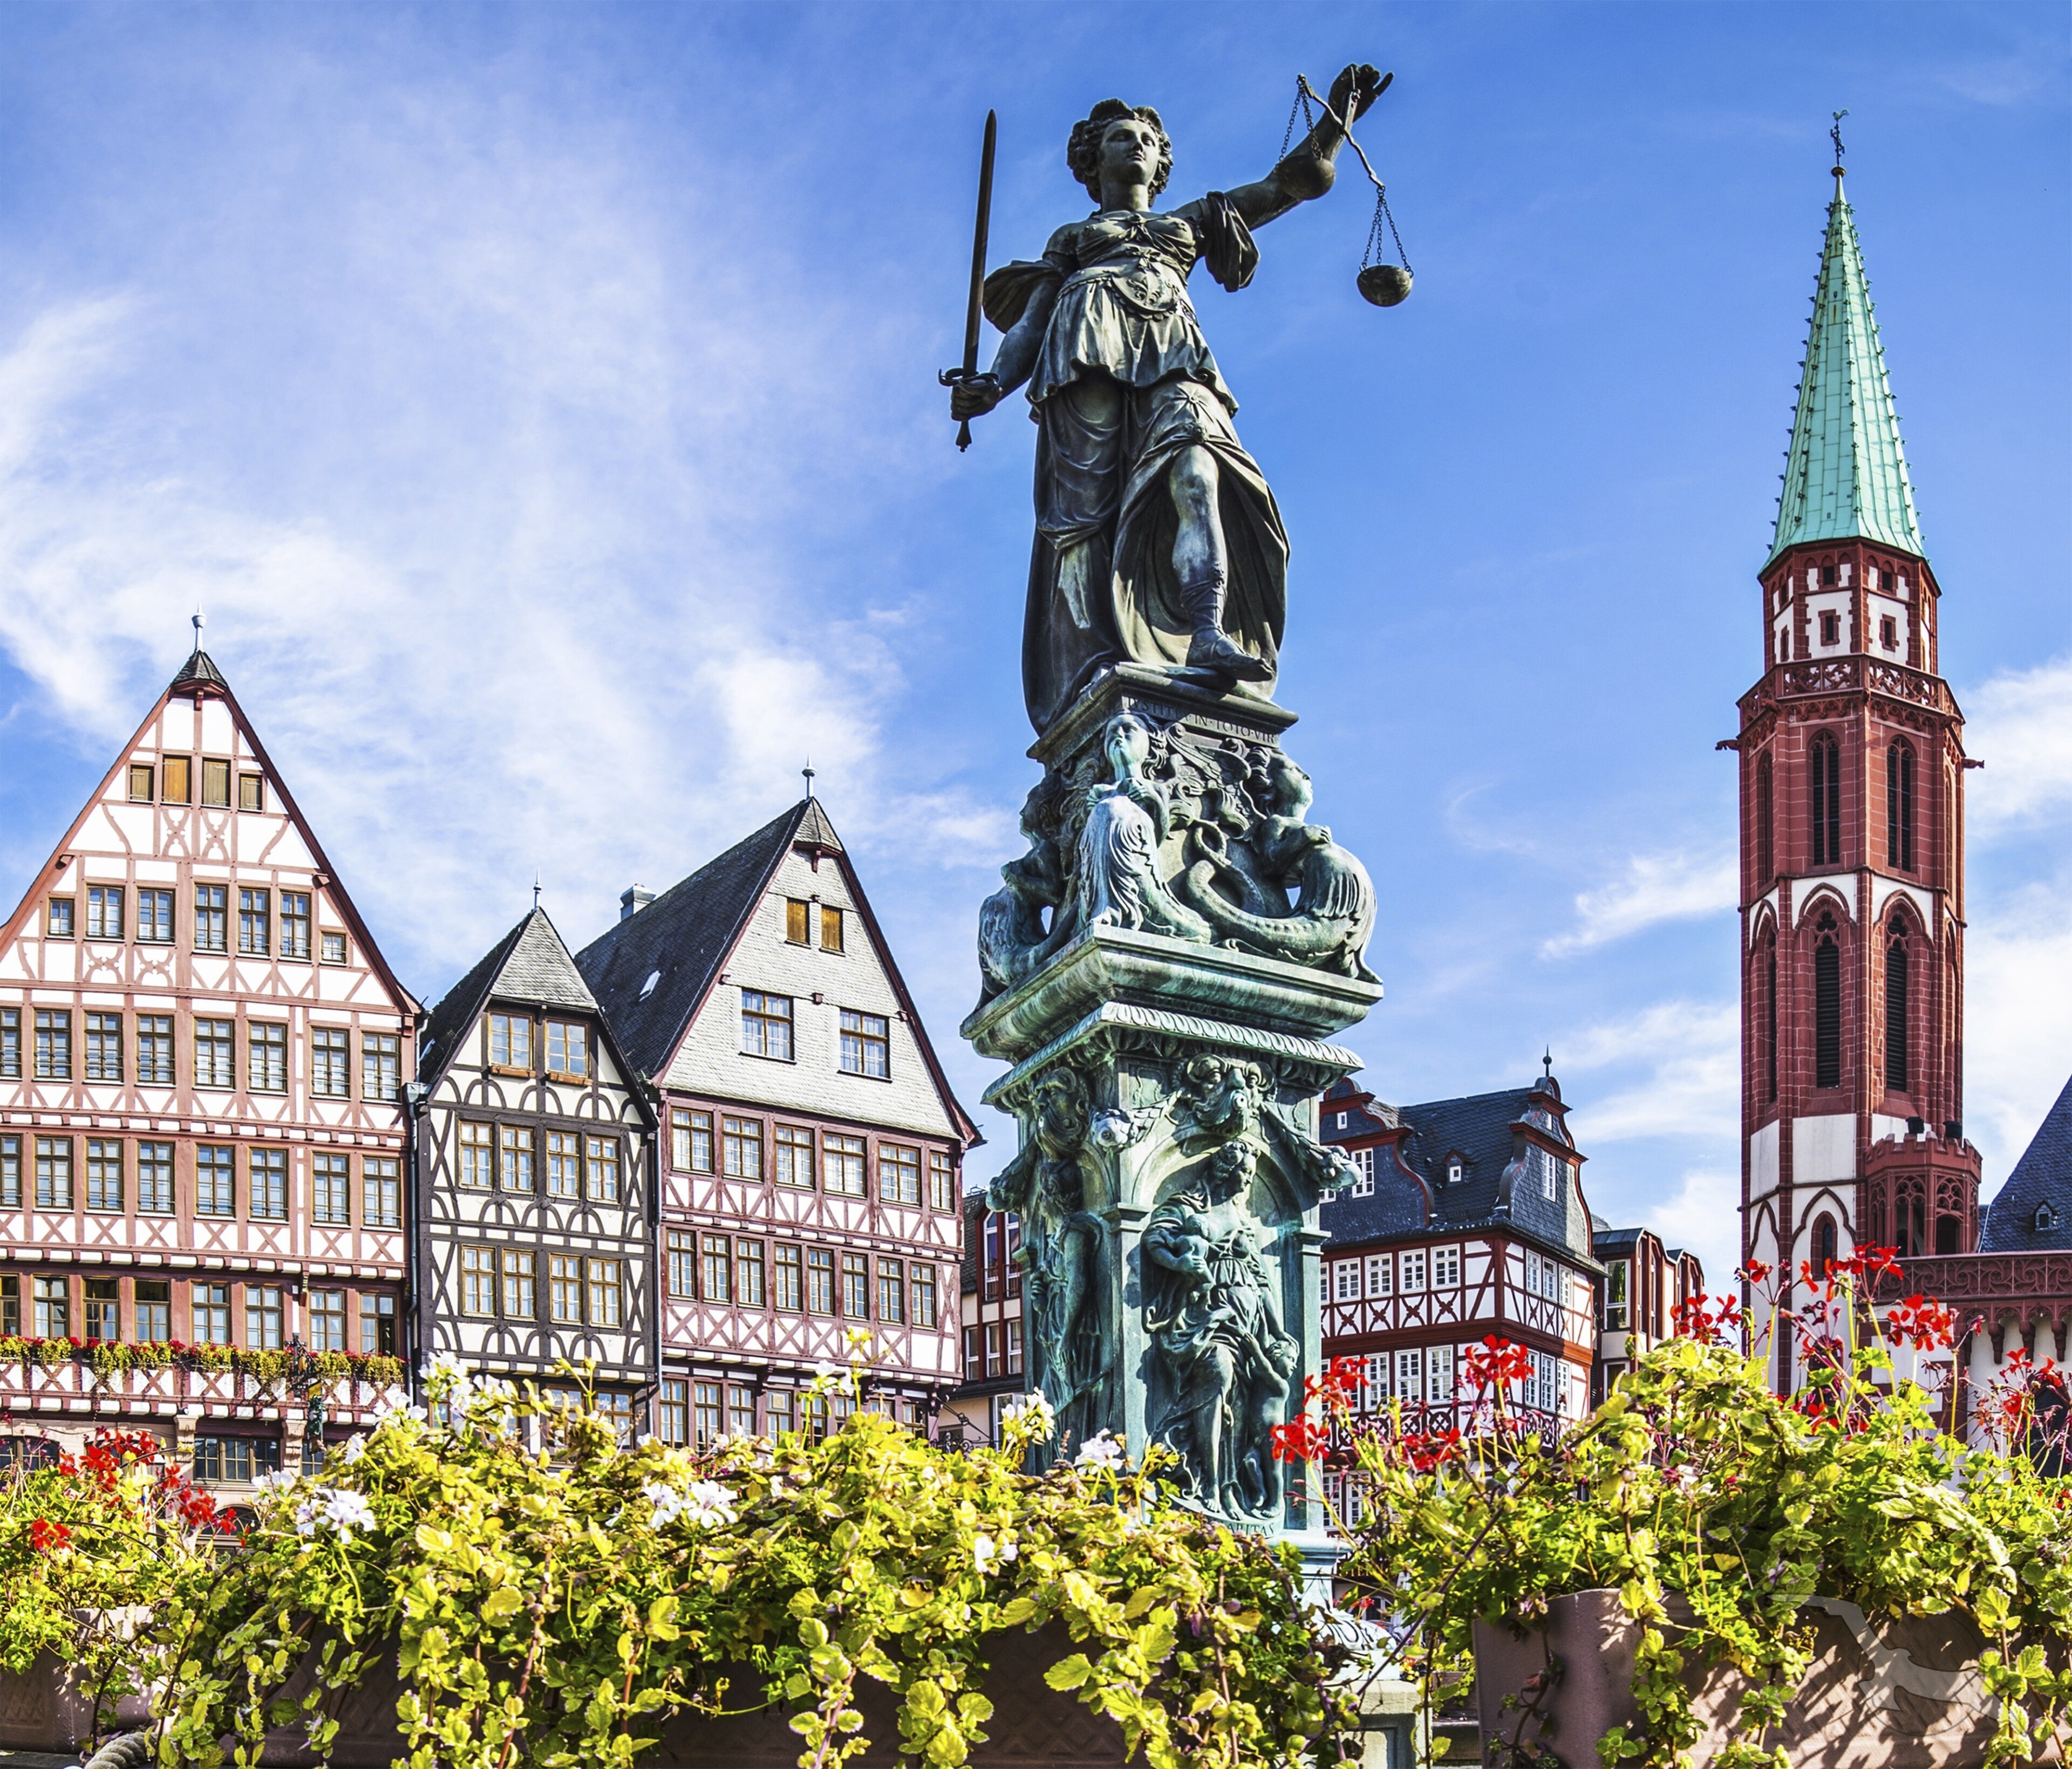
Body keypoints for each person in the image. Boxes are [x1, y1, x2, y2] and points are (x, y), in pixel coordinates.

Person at [950, 64, 1386, 733]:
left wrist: (1333, 125)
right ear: (1093, 160)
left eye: (1147, 140)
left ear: (1161, 163)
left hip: (1174, 355)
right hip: (1084, 355)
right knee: (1087, 518)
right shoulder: (1071, 240)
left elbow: (1286, 186)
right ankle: (1094, 660)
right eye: (1121, 138)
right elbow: (1033, 324)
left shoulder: (1191, 221)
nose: (1137, 146)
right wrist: (994, 386)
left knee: (1200, 468)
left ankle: (1207, 627)